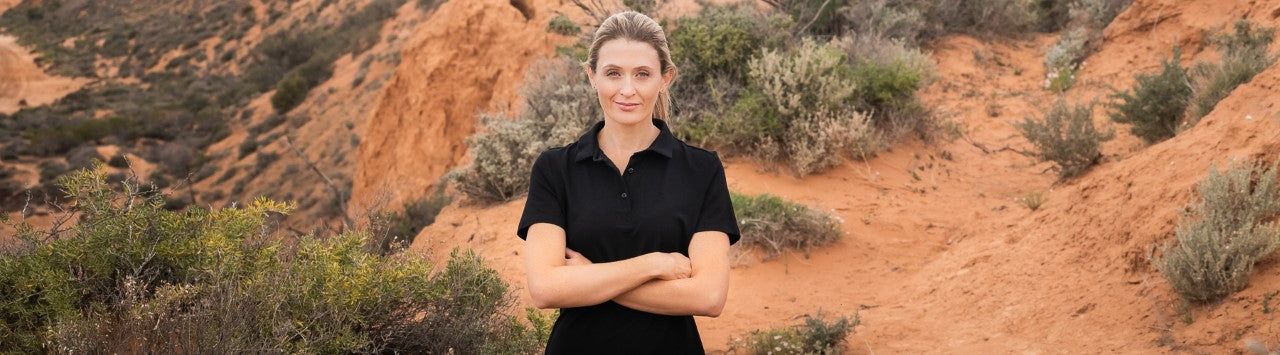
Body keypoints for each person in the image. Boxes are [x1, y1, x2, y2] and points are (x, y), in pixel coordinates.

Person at [515, 10, 742, 355]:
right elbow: (545, 289)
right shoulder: (554, 168)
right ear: (592, 76)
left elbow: (709, 296)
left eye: (642, 74)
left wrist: (591, 277)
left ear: (665, 78)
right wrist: (652, 265)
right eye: (612, 73)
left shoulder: (701, 169)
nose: (627, 90)